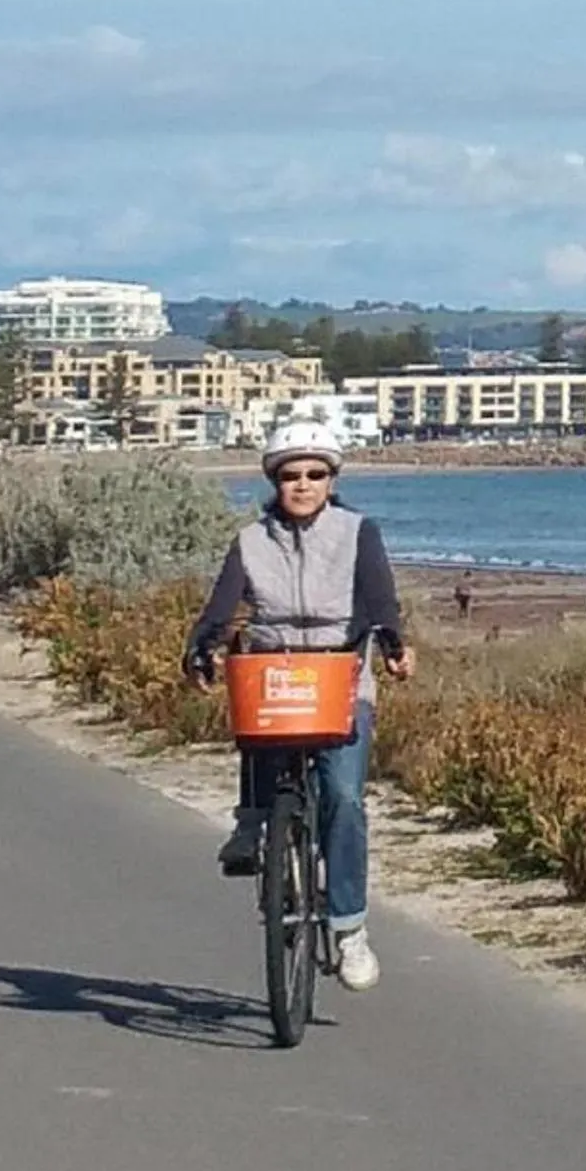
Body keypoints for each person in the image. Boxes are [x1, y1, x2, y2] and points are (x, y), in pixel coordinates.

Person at [183, 423, 414, 992]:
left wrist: (392, 644)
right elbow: (222, 604)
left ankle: (348, 928)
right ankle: (253, 821)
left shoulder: (359, 532)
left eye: (315, 475)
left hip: (341, 673)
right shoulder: (251, 541)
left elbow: (380, 597)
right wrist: (200, 647)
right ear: (274, 482)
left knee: (343, 798)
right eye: (290, 476)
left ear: (331, 481)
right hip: (276, 668)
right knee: (258, 717)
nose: (303, 485)